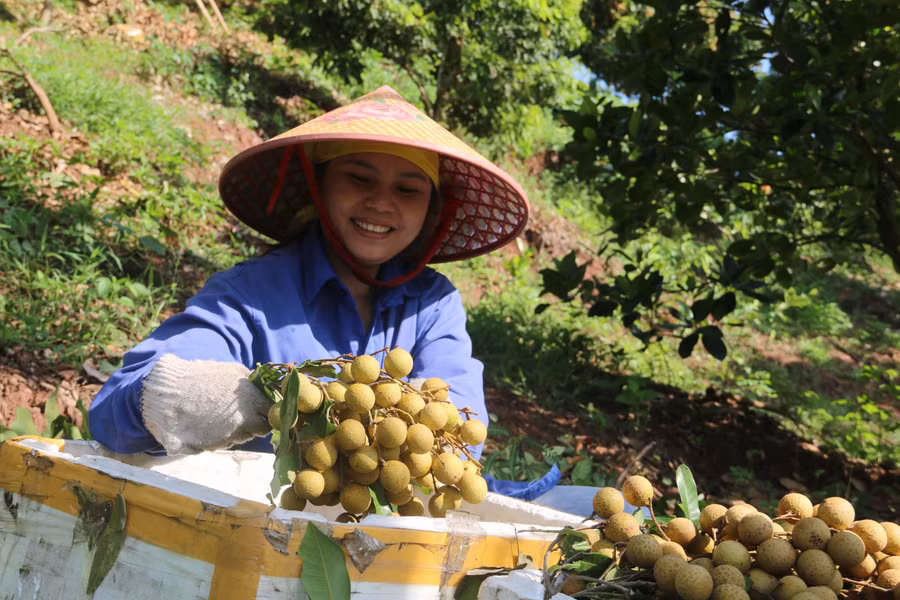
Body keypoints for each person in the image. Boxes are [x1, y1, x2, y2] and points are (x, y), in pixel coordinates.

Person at [88, 86, 530, 460]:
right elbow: (112, 411)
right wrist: (238, 398)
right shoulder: (249, 296)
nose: (381, 203)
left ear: (430, 210)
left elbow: (461, 430)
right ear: (319, 186)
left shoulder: (433, 304)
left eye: (408, 190)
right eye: (359, 178)